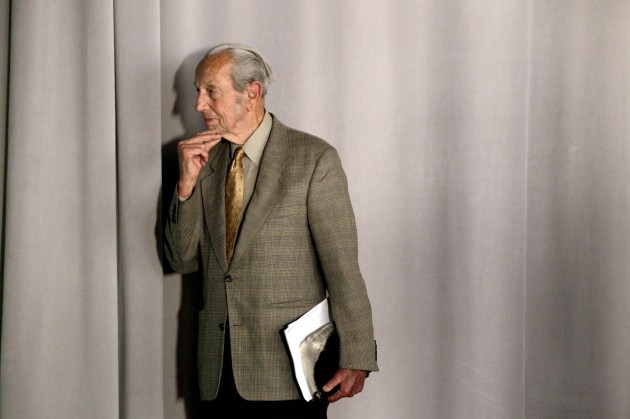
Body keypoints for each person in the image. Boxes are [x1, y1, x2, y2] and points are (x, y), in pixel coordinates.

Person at [164, 43, 378, 418]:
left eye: (210, 91)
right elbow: (181, 260)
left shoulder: (313, 159)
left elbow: (342, 269)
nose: (198, 105)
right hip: (216, 373)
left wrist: (357, 355)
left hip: (290, 372)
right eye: (197, 92)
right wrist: (185, 187)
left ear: (251, 93)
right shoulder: (201, 160)